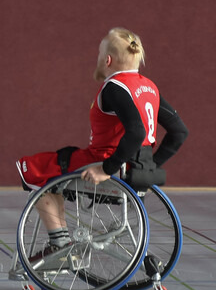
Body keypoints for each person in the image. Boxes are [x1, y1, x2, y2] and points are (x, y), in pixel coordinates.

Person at [16, 28, 188, 254]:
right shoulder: (149, 87)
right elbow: (179, 132)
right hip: (136, 166)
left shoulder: (114, 87)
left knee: (31, 169)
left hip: (106, 159)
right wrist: (150, 166)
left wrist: (107, 168)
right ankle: (60, 242)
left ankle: (59, 246)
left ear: (107, 59)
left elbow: (136, 132)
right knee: (56, 168)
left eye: (99, 53)